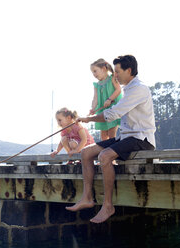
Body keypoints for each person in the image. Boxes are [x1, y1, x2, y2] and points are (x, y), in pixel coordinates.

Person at [65, 55, 156, 224]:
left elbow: (113, 114)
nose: (115, 75)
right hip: (126, 137)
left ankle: (108, 206)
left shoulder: (139, 89)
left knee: (104, 156)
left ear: (129, 71)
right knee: (86, 153)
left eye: (118, 71)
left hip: (141, 138)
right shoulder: (128, 88)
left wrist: (88, 119)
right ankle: (87, 198)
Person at [89, 59, 122, 140]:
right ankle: (105, 150)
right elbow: (95, 98)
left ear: (103, 69)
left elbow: (118, 90)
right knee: (103, 136)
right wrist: (93, 108)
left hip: (112, 109)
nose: (94, 74)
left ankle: (112, 151)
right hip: (102, 112)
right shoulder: (97, 85)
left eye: (95, 71)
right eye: (92, 72)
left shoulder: (112, 78)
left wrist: (110, 99)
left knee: (111, 133)